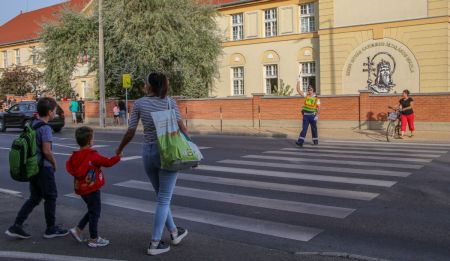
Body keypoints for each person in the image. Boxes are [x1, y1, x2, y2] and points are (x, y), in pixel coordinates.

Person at [116, 72, 189, 256]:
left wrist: (119, 149)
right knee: (164, 199)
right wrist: (190, 149)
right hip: (167, 153)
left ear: (149, 85)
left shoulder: (139, 103)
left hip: (148, 153)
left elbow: (131, 131)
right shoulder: (170, 102)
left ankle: (174, 232)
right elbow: (182, 127)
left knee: (161, 197)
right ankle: (155, 243)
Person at [5, 97, 69, 239]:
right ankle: (50, 229)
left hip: (33, 167)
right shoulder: (45, 128)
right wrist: (54, 163)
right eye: (54, 110)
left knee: (35, 197)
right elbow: (47, 151)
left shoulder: (32, 123)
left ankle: (16, 225)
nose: (55, 113)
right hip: (43, 168)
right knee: (51, 197)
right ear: (49, 112)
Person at [66, 126, 121, 247]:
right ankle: (94, 238)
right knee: (95, 213)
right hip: (92, 188)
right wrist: (118, 156)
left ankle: (78, 229)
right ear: (90, 140)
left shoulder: (75, 155)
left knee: (92, 210)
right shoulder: (92, 155)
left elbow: (71, 167)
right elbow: (107, 162)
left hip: (81, 188)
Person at [295, 82, 320, 147]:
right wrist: (298, 82)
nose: (309, 90)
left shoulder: (316, 98)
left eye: (310, 89)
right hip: (306, 116)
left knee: (314, 129)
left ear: (313, 90)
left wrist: (317, 115)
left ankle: (315, 141)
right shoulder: (306, 95)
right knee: (304, 129)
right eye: (308, 89)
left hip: (313, 115)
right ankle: (300, 142)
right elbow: (298, 90)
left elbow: (318, 107)